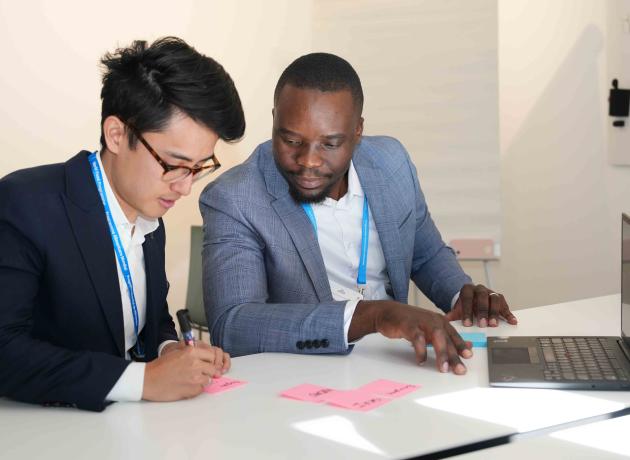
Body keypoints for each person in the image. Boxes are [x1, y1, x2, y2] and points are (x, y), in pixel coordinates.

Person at [200, 52, 517, 375]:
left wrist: (459, 294)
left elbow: (426, 254)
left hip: (398, 362)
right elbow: (234, 324)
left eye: (330, 144)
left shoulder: (392, 163)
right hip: (302, 378)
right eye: (291, 139)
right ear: (274, 119)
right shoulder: (235, 197)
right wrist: (373, 316)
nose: (308, 160)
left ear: (357, 131)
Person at [0, 37, 245, 411]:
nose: (183, 187)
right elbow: (6, 351)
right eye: (174, 164)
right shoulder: (25, 204)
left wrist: (171, 350)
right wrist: (143, 380)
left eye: (198, 169)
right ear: (117, 134)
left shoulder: (149, 211)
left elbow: (150, 320)